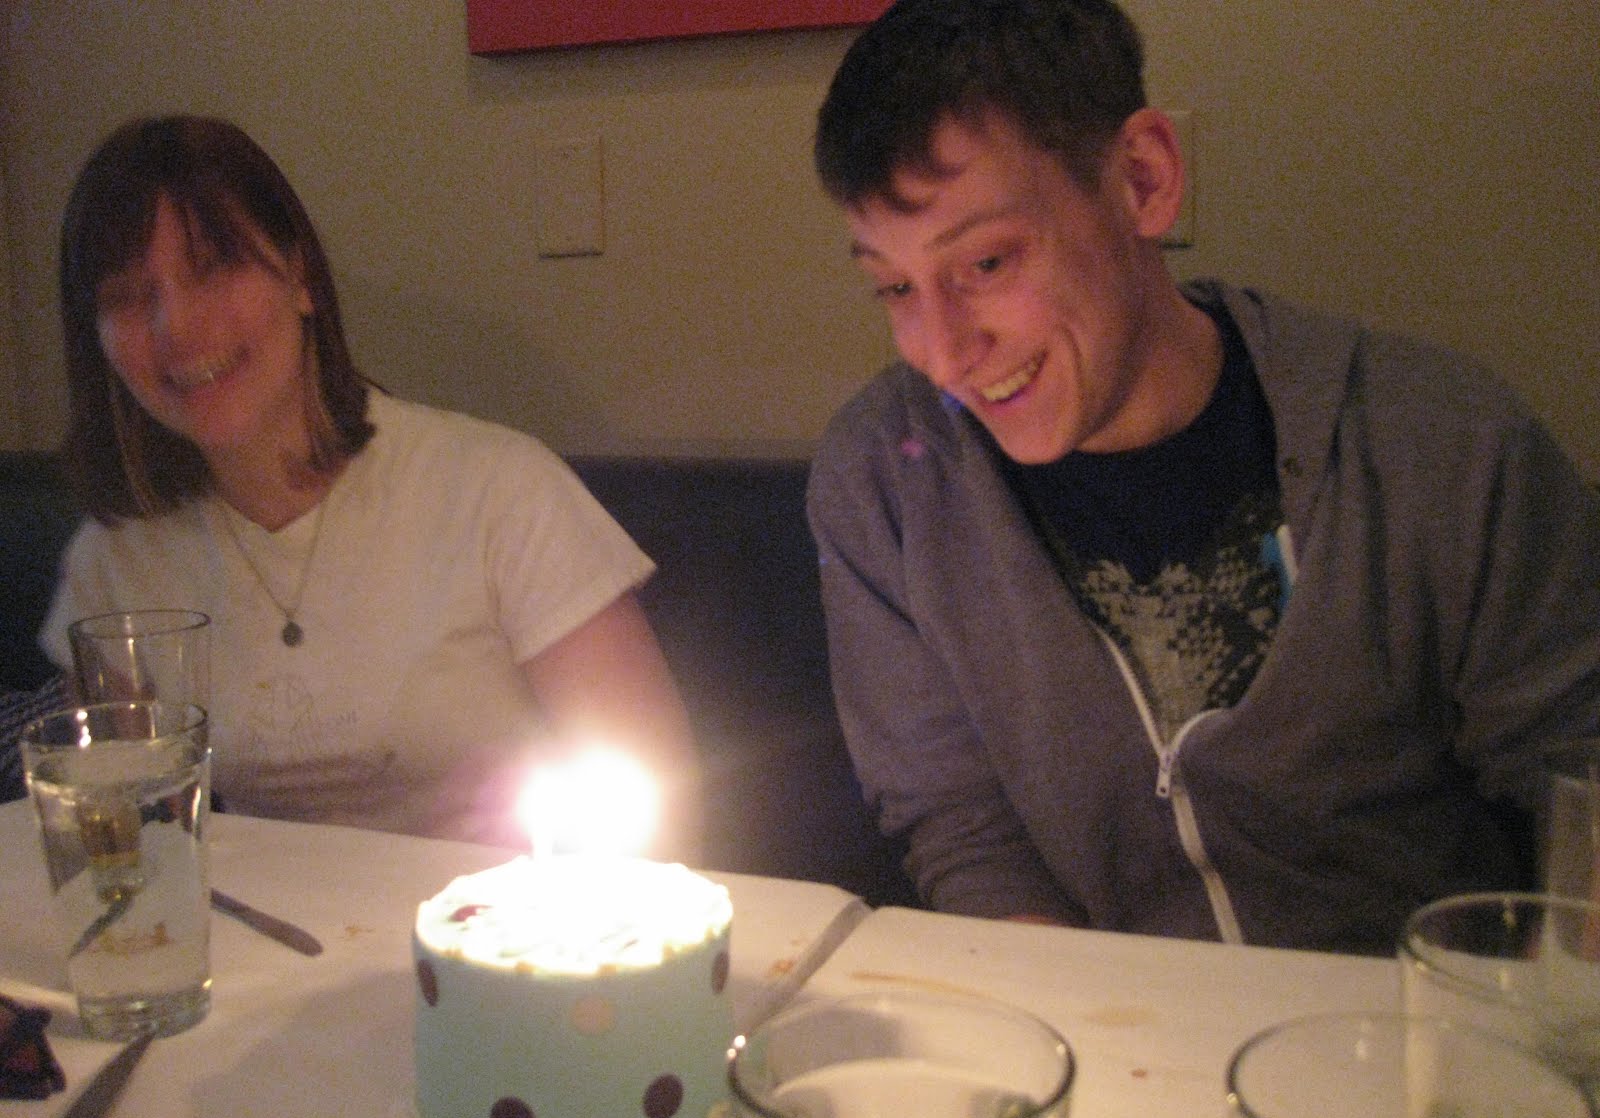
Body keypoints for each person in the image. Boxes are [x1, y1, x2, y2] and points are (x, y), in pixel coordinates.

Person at [806, 0, 1600, 953]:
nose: (942, 354)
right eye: (895, 287)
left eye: (985, 261)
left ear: (1143, 179)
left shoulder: (1441, 445)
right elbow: (962, 828)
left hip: (1429, 1024)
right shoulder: (884, 484)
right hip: (1106, 1026)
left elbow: (1580, 778)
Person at [42, 115, 701, 860]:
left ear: (299, 278)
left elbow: (665, 814)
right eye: (129, 296)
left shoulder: (497, 492)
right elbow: (123, 850)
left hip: (513, 922)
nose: (177, 325)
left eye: (213, 268)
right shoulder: (116, 560)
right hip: (252, 929)